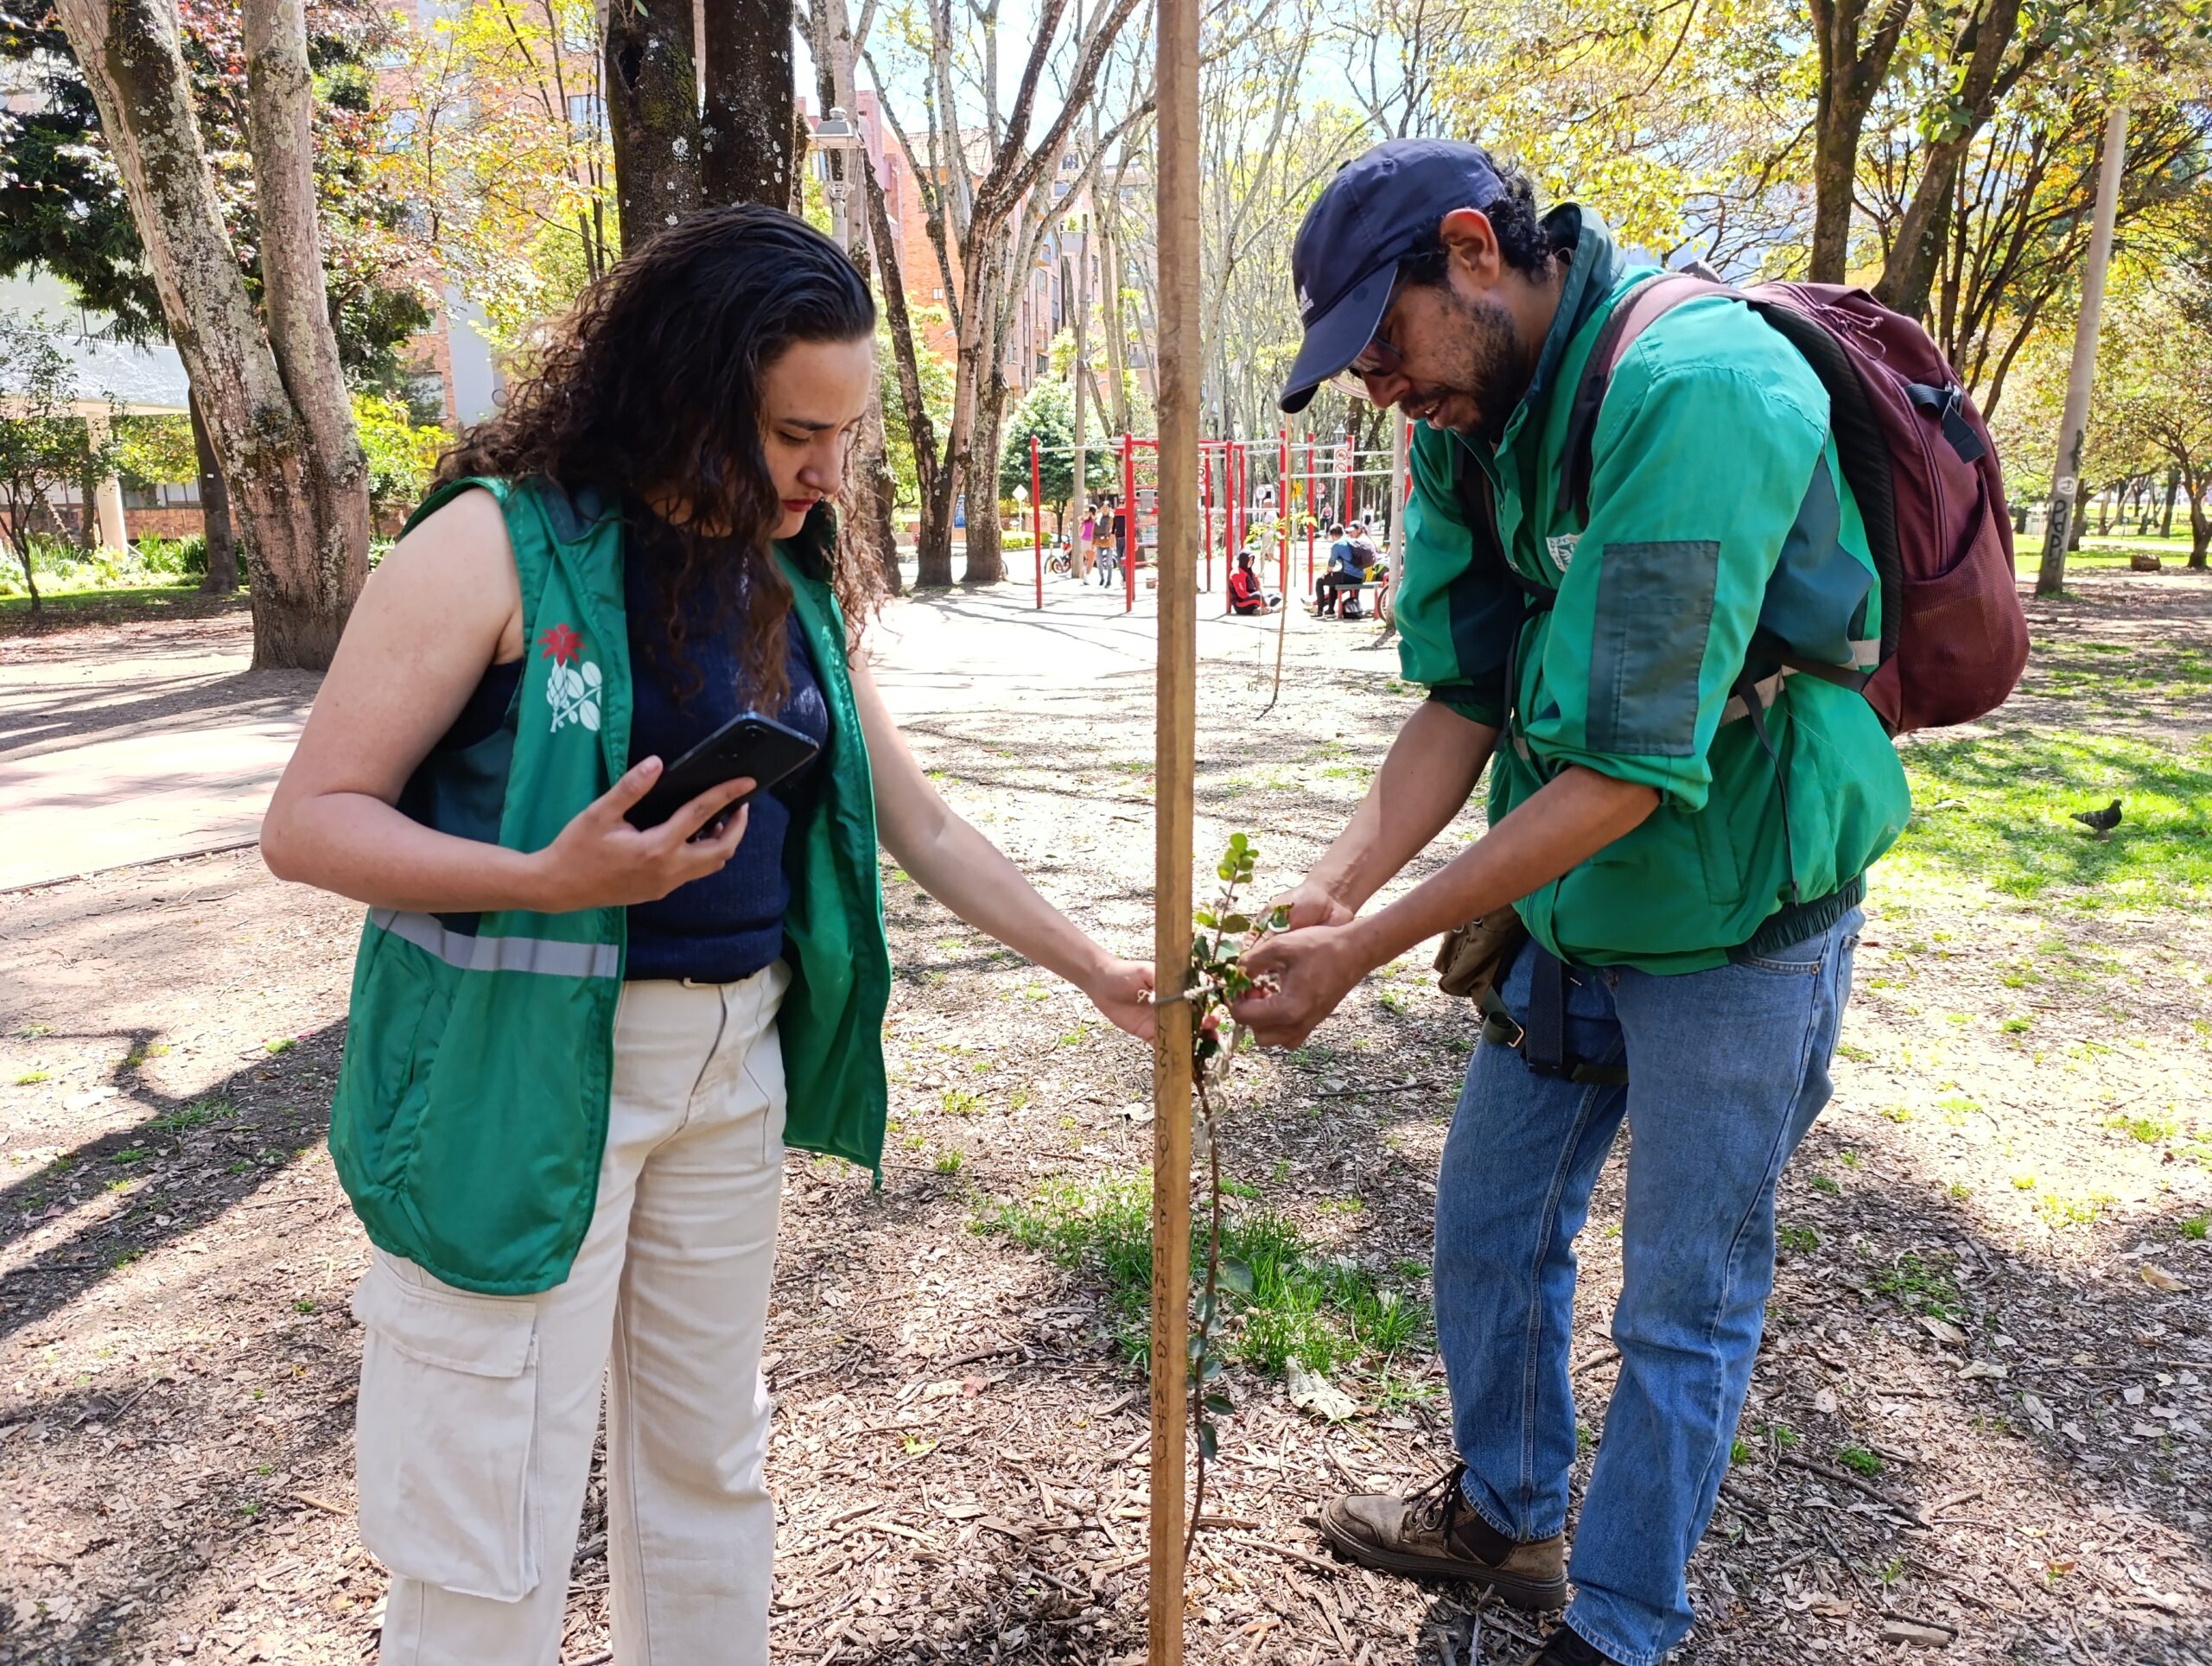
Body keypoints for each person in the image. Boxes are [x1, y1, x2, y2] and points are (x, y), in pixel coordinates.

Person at [258, 207, 1154, 1666]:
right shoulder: (495, 545)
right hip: (522, 1083)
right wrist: (547, 874)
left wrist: (1099, 967)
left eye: (846, 435)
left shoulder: (790, 568)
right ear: (683, 392)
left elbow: (921, 824)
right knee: (493, 1514)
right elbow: (309, 820)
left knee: (708, 1473)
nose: (827, 471)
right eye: (798, 432)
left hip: (729, 1073)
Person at [1233, 139, 1909, 1666]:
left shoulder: (1700, 390)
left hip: (1742, 910)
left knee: (1682, 1301)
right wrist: (1326, 886)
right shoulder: (1462, 421)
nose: (1382, 390)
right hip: (1569, 900)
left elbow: (1623, 769)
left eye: (1384, 344)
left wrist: (1371, 941)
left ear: (1474, 250)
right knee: (1488, 1222)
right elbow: (1469, 693)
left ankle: (1619, 1625)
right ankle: (1509, 1517)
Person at [1314, 522, 1357, 617]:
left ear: (1332, 535)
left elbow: (1331, 563)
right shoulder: (1350, 540)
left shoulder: (1337, 545)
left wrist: (1326, 573)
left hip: (1348, 576)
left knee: (1319, 581)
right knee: (1332, 580)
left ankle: (1320, 611)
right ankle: (1330, 610)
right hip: (1359, 576)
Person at [1226, 549, 1271, 614]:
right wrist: (1256, 597)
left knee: (1276, 596)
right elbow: (1242, 594)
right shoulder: (1237, 573)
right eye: (1249, 560)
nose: (1251, 562)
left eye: (1252, 560)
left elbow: (1258, 585)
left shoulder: (1249, 571)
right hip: (1241, 604)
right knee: (1258, 596)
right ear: (1244, 560)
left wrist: (1261, 595)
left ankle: (1261, 608)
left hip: (1251, 600)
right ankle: (1269, 609)